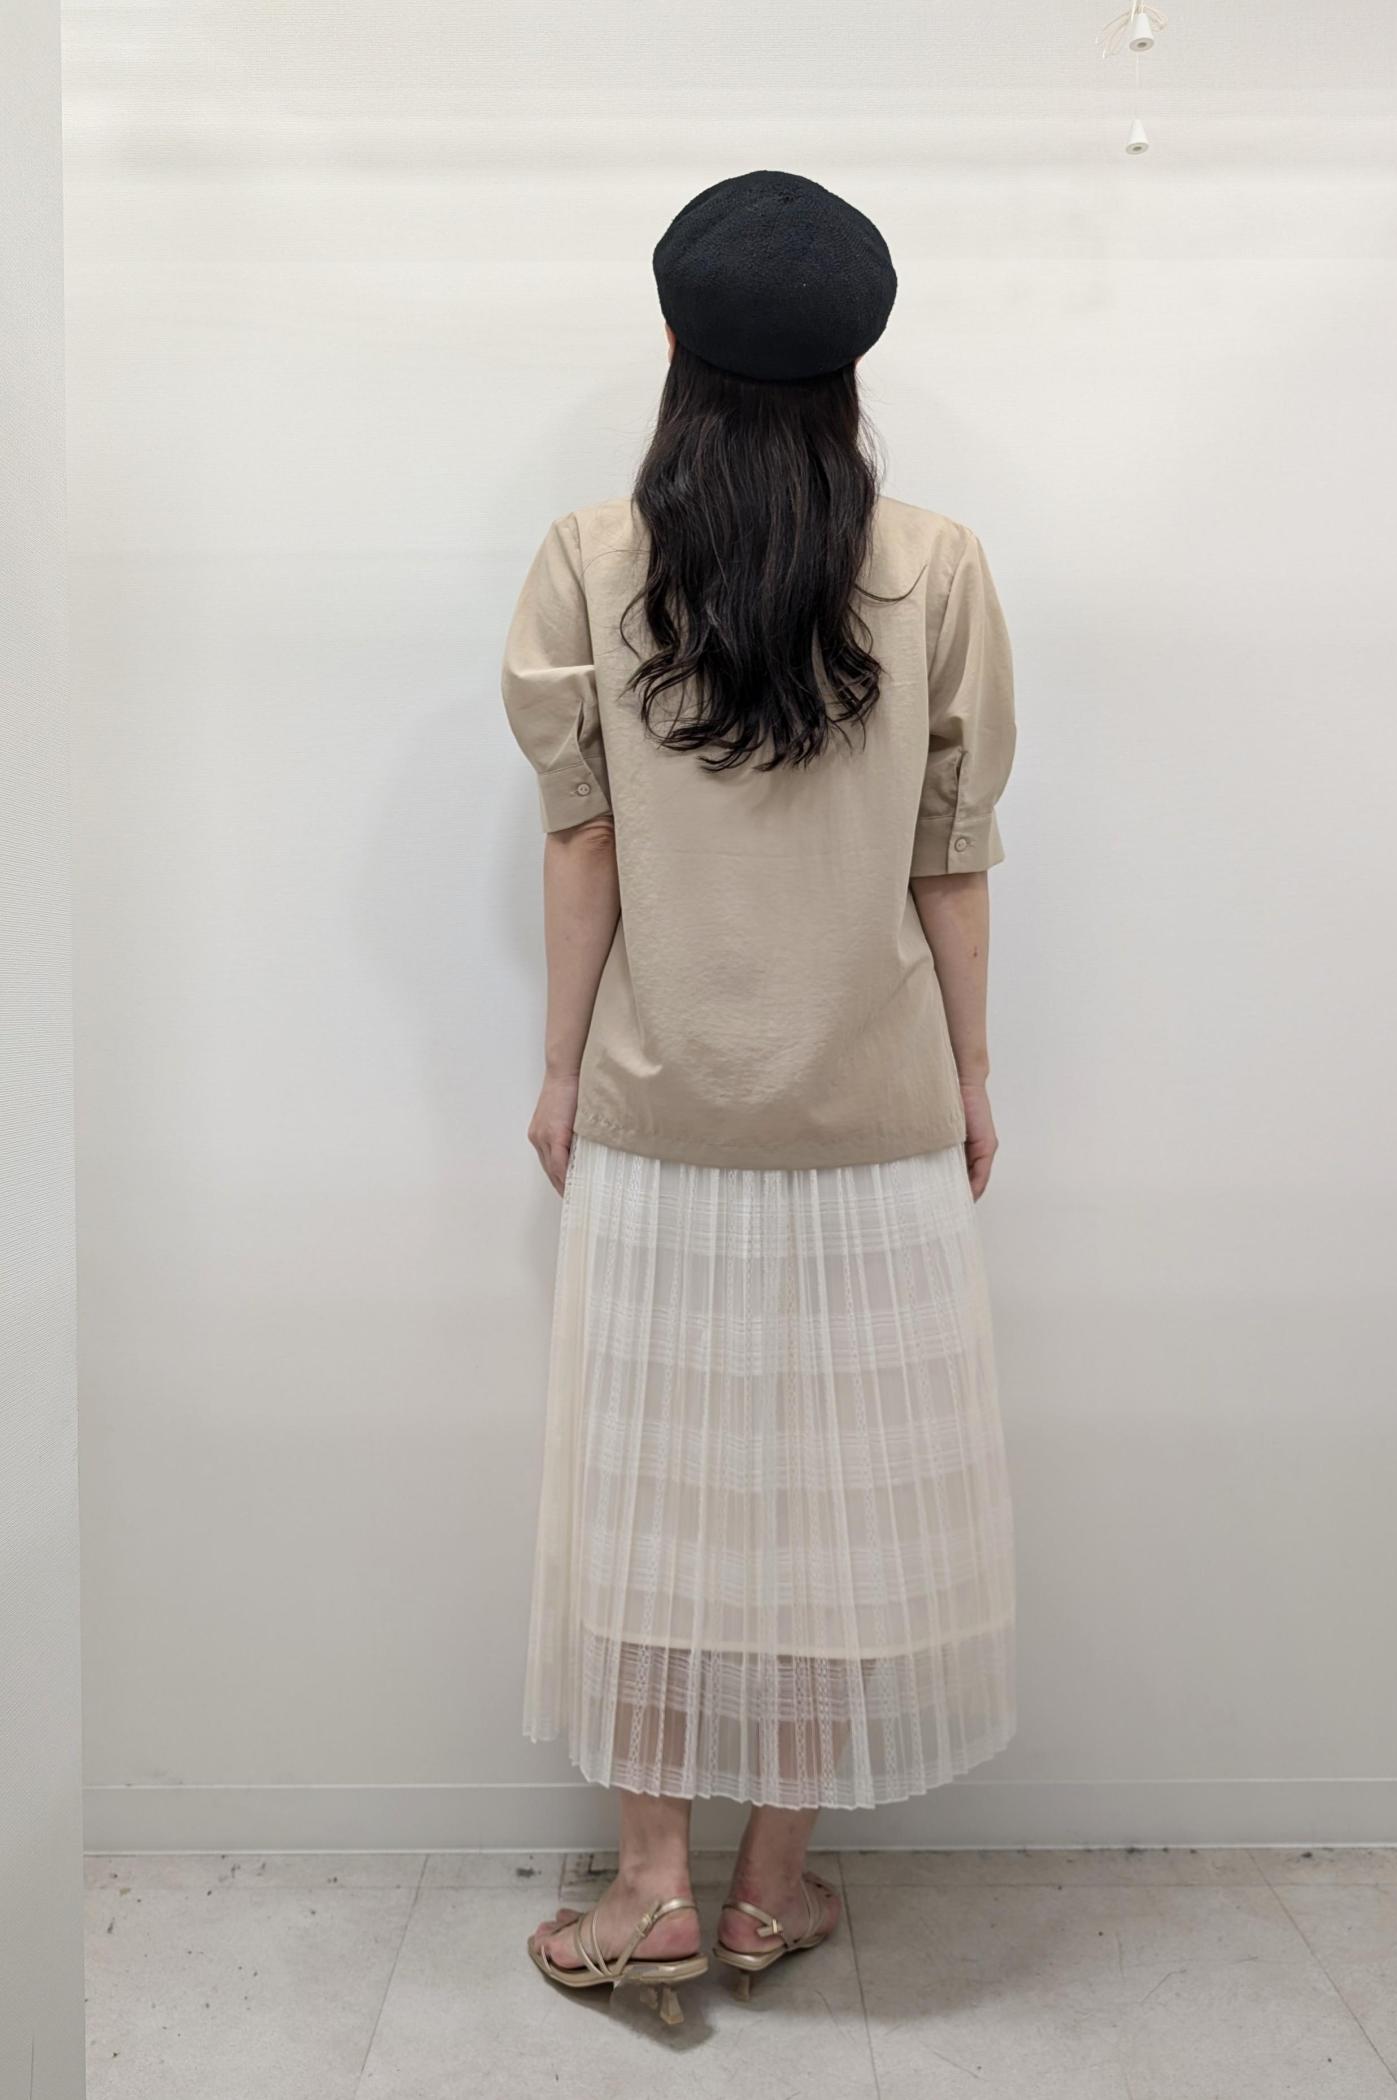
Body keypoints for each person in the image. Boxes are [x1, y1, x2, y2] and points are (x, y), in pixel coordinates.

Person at [501, 169, 1018, 2025]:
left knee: (652, 1500)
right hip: (869, 1114)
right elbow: (953, 857)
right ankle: (768, 1889)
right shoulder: (936, 565)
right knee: (831, 1512)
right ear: (855, 359)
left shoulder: (590, 559)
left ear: (673, 340)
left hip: (665, 1110)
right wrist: (971, 1072)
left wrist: (561, 1068)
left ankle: (649, 1890)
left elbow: (584, 851)